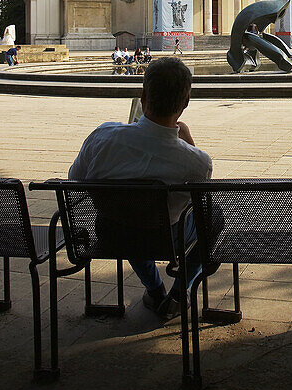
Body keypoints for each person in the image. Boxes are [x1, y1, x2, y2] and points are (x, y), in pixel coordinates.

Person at [69, 57, 212, 319]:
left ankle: (155, 290)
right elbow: (203, 200)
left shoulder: (103, 137)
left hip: (113, 234)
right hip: (167, 239)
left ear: (143, 95)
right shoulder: (197, 162)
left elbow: (75, 178)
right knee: (211, 222)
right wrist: (190, 143)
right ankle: (180, 294)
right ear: (186, 103)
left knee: (130, 217)